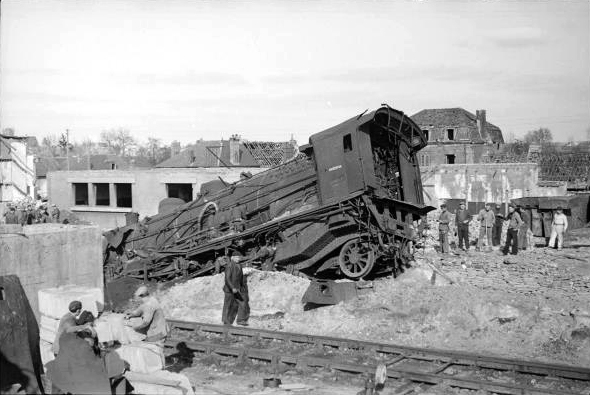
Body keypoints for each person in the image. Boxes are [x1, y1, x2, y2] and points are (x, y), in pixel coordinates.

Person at [222, 250, 250, 326]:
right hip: (229, 289)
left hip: (237, 289)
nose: (239, 258)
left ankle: (241, 320)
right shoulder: (229, 266)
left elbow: (240, 278)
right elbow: (227, 279)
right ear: (232, 258)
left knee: (242, 302)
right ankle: (226, 321)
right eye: (237, 257)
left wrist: (242, 287)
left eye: (239, 257)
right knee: (228, 305)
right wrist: (232, 288)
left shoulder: (239, 265)